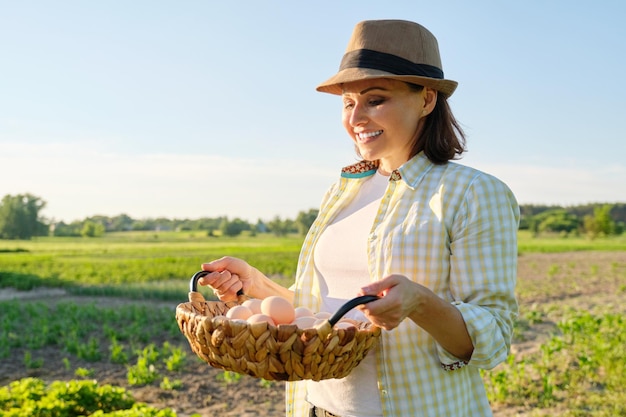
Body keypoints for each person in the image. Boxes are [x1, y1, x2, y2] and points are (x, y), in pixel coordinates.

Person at [199, 19, 519, 417]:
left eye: (375, 99)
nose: (355, 119)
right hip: (318, 407)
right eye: (348, 103)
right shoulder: (344, 191)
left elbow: (493, 338)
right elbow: (324, 311)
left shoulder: (471, 193)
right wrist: (257, 286)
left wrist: (419, 303)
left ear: (427, 100)